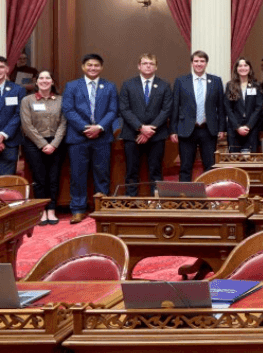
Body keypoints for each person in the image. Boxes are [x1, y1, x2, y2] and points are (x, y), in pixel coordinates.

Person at [63, 53, 117, 223]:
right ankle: (78, 209)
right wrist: (85, 128)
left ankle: (101, 207)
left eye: (96, 65)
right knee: (78, 175)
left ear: (101, 68)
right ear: (83, 67)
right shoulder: (72, 86)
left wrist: (99, 127)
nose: (93, 68)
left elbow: (113, 110)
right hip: (78, 138)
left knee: (102, 173)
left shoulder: (109, 86)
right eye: (89, 65)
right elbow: (68, 109)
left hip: (102, 137)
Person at [119, 53, 172, 195]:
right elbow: (124, 109)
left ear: (156, 67)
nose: (148, 66)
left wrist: (150, 130)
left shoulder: (164, 85)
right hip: (132, 135)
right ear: (139, 66)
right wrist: (141, 128)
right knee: (131, 171)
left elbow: (166, 109)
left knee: (156, 170)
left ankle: (156, 203)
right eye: (145, 63)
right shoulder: (128, 84)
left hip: (157, 136)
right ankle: (131, 202)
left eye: (151, 63)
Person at [21, 70, 66, 224]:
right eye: (41, 78)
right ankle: (41, 211)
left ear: (52, 81)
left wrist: (53, 144)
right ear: (36, 82)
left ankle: (52, 210)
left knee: (53, 178)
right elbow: (27, 125)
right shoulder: (27, 100)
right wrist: (42, 144)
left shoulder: (61, 100)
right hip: (34, 144)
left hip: (56, 143)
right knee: (39, 178)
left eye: (48, 78)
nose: (44, 80)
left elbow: (63, 124)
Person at [172, 50, 225, 181]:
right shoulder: (181, 81)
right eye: (196, 61)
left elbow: (221, 107)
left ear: (206, 63)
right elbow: (175, 107)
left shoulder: (216, 81)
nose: (199, 64)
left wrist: (222, 128)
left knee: (210, 166)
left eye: (202, 61)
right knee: (185, 166)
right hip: (186, 130)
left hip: (208, 129)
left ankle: (210, 198)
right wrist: (173, 130)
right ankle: (185, 199)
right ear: (191, 63)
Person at [224, 57, 263, 153]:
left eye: (245, 65)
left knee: (250, 160)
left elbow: (259, 107)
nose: (243, 68)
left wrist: (248, 126)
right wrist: (237, 127)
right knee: (234, 159)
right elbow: (228, 108)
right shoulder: (230, 85)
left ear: (249, 68)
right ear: (236, 69)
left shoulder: (256, 85)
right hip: (234, 129)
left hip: (251, 129)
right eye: (240, 66)